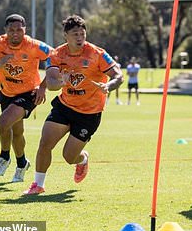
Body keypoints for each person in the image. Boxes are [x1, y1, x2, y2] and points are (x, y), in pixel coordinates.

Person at [23, 15, 123, 195]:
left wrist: (108, 85)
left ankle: (82, 160)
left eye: (82, 33)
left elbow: (119, 76)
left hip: (89, 114)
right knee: (45, 142)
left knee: (69, 157)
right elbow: (52, 83)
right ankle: (38, 185)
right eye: (75, 34)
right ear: (65, 36)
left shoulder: (97, 53)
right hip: (65, 106)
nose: (79, 37)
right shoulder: (57, 54)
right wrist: (61, 82)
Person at [0, 14, 52, 183]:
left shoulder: (33, 45)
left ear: (25, 30)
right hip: (7, 93)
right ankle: (22, 164)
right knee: (17, 133)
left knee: (3, 122)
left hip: (28, 94)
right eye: (11, 30)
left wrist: (43, 86)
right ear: (6, 30)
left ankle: (4, 157)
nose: (15, 33)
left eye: (19, 29)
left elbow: (56, 59)